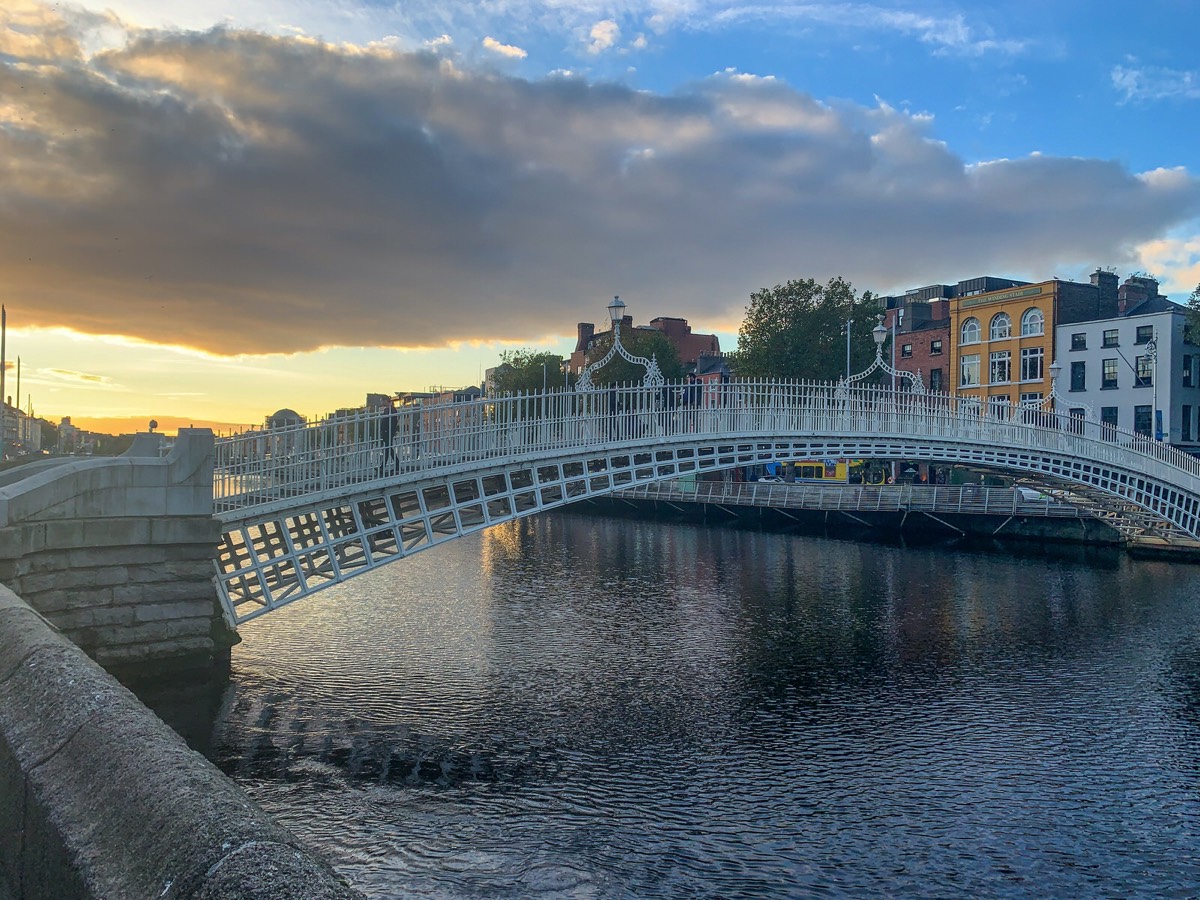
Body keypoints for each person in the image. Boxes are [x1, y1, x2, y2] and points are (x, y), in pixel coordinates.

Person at [378, 398, 399, 474]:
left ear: (385, 400)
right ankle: (395, 465)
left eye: (382, 400)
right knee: (388, 449)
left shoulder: (392, 410)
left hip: (389, 432)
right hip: (386, 432)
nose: (381, 402)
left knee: (388, 449)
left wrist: (388, 430)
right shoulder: (386, 410)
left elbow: (392, 422)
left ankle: (382, 467)